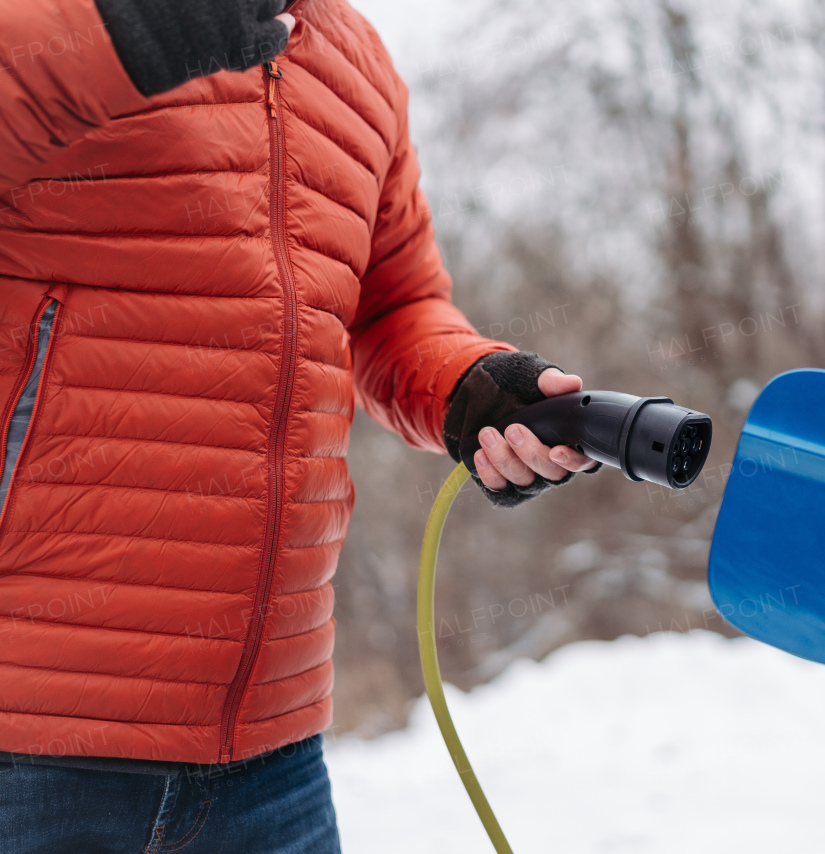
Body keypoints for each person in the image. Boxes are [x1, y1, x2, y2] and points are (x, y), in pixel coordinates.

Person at [0, 0, 596, 849]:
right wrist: (123, 31)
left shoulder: (356, 63)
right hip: (35, 742)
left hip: (272, 754)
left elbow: (395, 305)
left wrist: (470, 387)